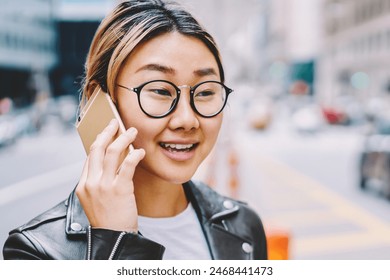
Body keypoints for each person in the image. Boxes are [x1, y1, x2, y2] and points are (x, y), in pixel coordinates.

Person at [3, 0, 267, 260]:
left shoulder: (243, 227)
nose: (187, 119)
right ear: (101, 98)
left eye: (206, 91)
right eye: (161, 90)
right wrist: (116, 243)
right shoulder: (37, 250)